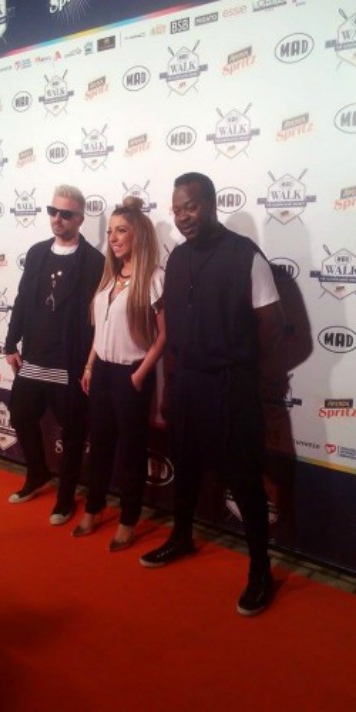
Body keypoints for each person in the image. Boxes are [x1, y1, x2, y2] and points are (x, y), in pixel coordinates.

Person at [139, 172, 285, 616]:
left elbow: (272, 324)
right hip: (187, 383)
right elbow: (174, 330)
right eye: (176, 209)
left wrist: (241, 363)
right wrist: (171, 384)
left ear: (211, 203)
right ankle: (182, 536)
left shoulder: (245, 255)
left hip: (231, 384)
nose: (182, 216)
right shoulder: (178, 259)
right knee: (185, 467)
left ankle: (261, 571)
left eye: (191, 206)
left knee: (244, 478)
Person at [5, 185, 104, 525]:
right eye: (52, 211)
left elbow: (97, 317)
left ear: (80, 219)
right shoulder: (36, 253)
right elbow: (22, 300)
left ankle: (65, 496)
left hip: (69, 363)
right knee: (20, 416)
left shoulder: (94, 261)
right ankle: (37, 473)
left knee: (73, 432)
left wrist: (88, 364)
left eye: (65, 214)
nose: (57, 219)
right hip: (33, 358)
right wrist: (10, 343)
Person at [72, 196, 165, 550]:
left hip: (132, 374)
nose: (112, 237)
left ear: (139, 234)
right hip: (101, 373)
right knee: (99, 446)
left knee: (130, 452)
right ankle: (93, 509)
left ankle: (128, 519)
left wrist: (140, 375)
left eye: (121, 230)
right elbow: (102, 330)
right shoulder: (110, 276)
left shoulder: (154, 279)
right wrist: (89, 365)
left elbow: (165, 335)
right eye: (110, 231)